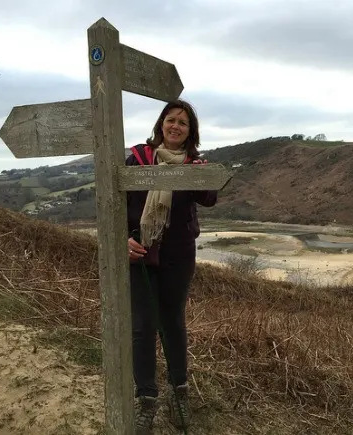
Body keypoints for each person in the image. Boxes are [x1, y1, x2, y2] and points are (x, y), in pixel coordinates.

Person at [126, 99, 217, 433]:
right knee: (142, 327)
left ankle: (179, 390)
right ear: (160, 123)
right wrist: (125, 239)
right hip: (141, 255)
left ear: (190, 132)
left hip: (179, 257)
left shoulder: (193, 163)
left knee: (173, 324)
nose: (175, 126)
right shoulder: (137, 158)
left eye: (183, 122)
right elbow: (118, 202)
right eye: (171, 119)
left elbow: (209, 196)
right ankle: (146, 397)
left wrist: (198, 171)